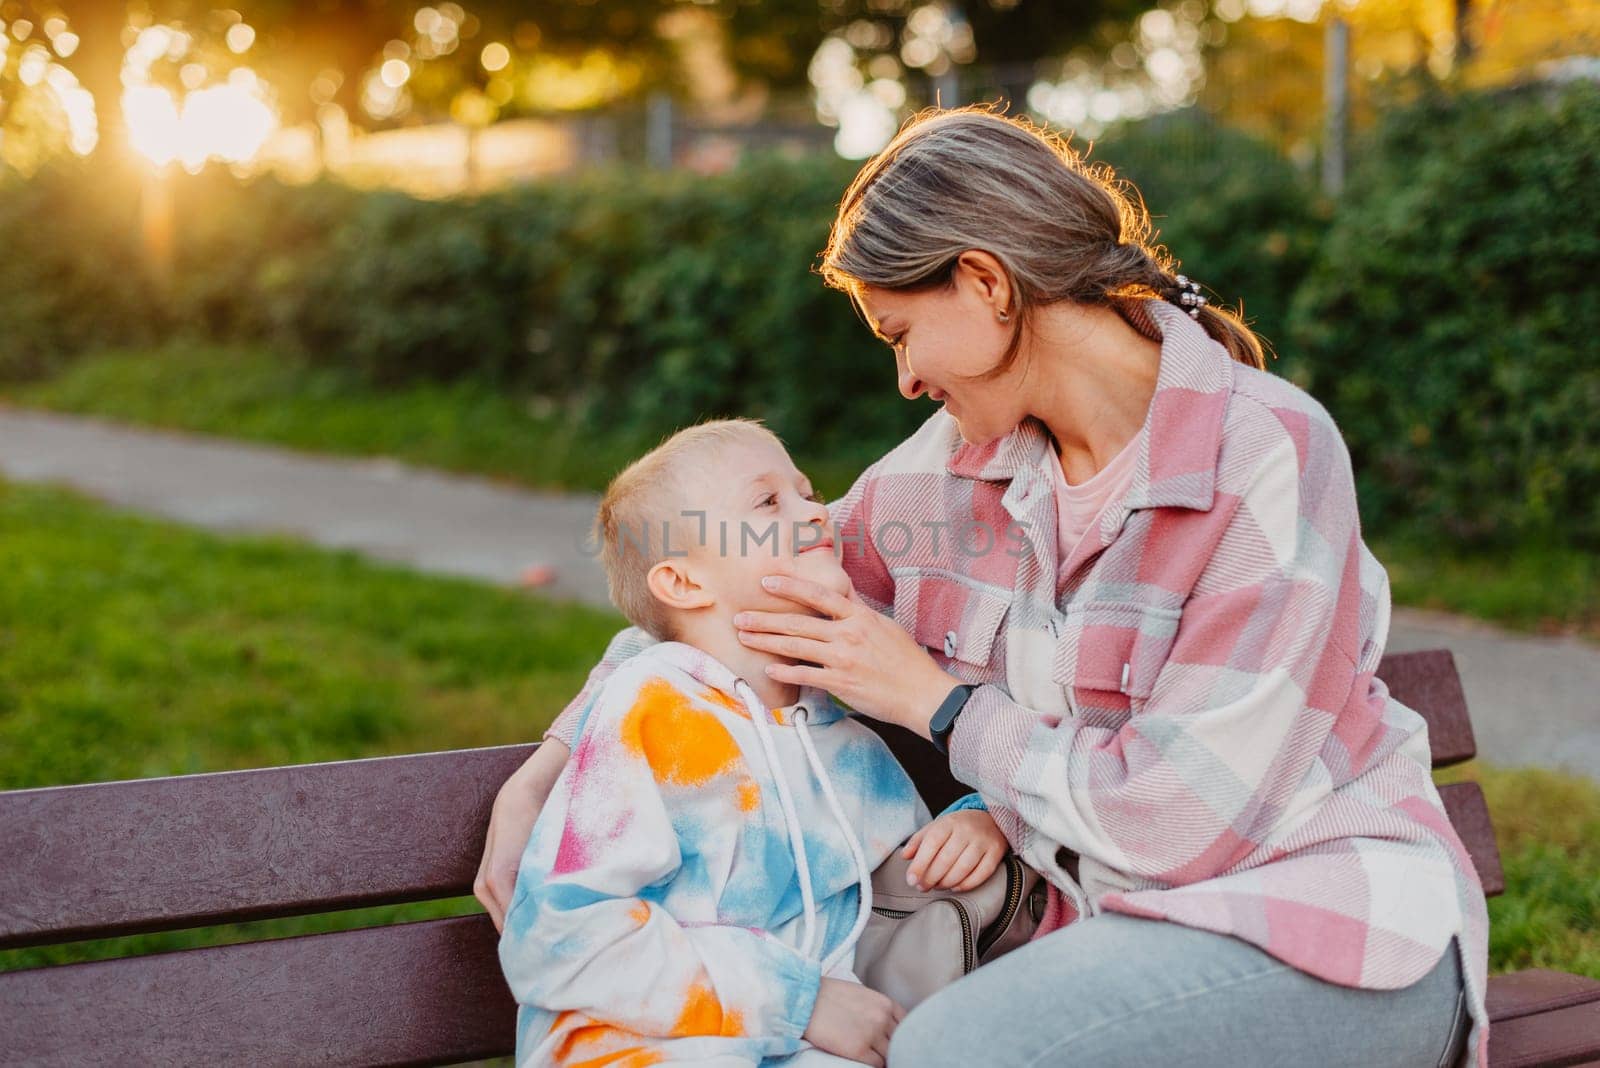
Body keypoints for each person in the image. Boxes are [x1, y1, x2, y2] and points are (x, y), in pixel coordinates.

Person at [479, 106, 1489, 1068]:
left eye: (898, 333)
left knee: (955, 1052)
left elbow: (1177, 830)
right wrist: (554, 759)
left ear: (985, 284)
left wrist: (939, 703)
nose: (905, 380)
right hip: (1110, 946)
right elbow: (738, 592)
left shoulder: (1265, 453)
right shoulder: (946, 474)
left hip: (1329, 934)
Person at [497, 418, 1008, 1067]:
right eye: (769, 502)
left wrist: (977, 824)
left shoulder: (849, 747)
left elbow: (897, 893)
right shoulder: (655, 712)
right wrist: (799, 1000)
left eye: (806, 490)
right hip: (632, 1046)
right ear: (683, 583)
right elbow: (559, 935)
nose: (817, 511)